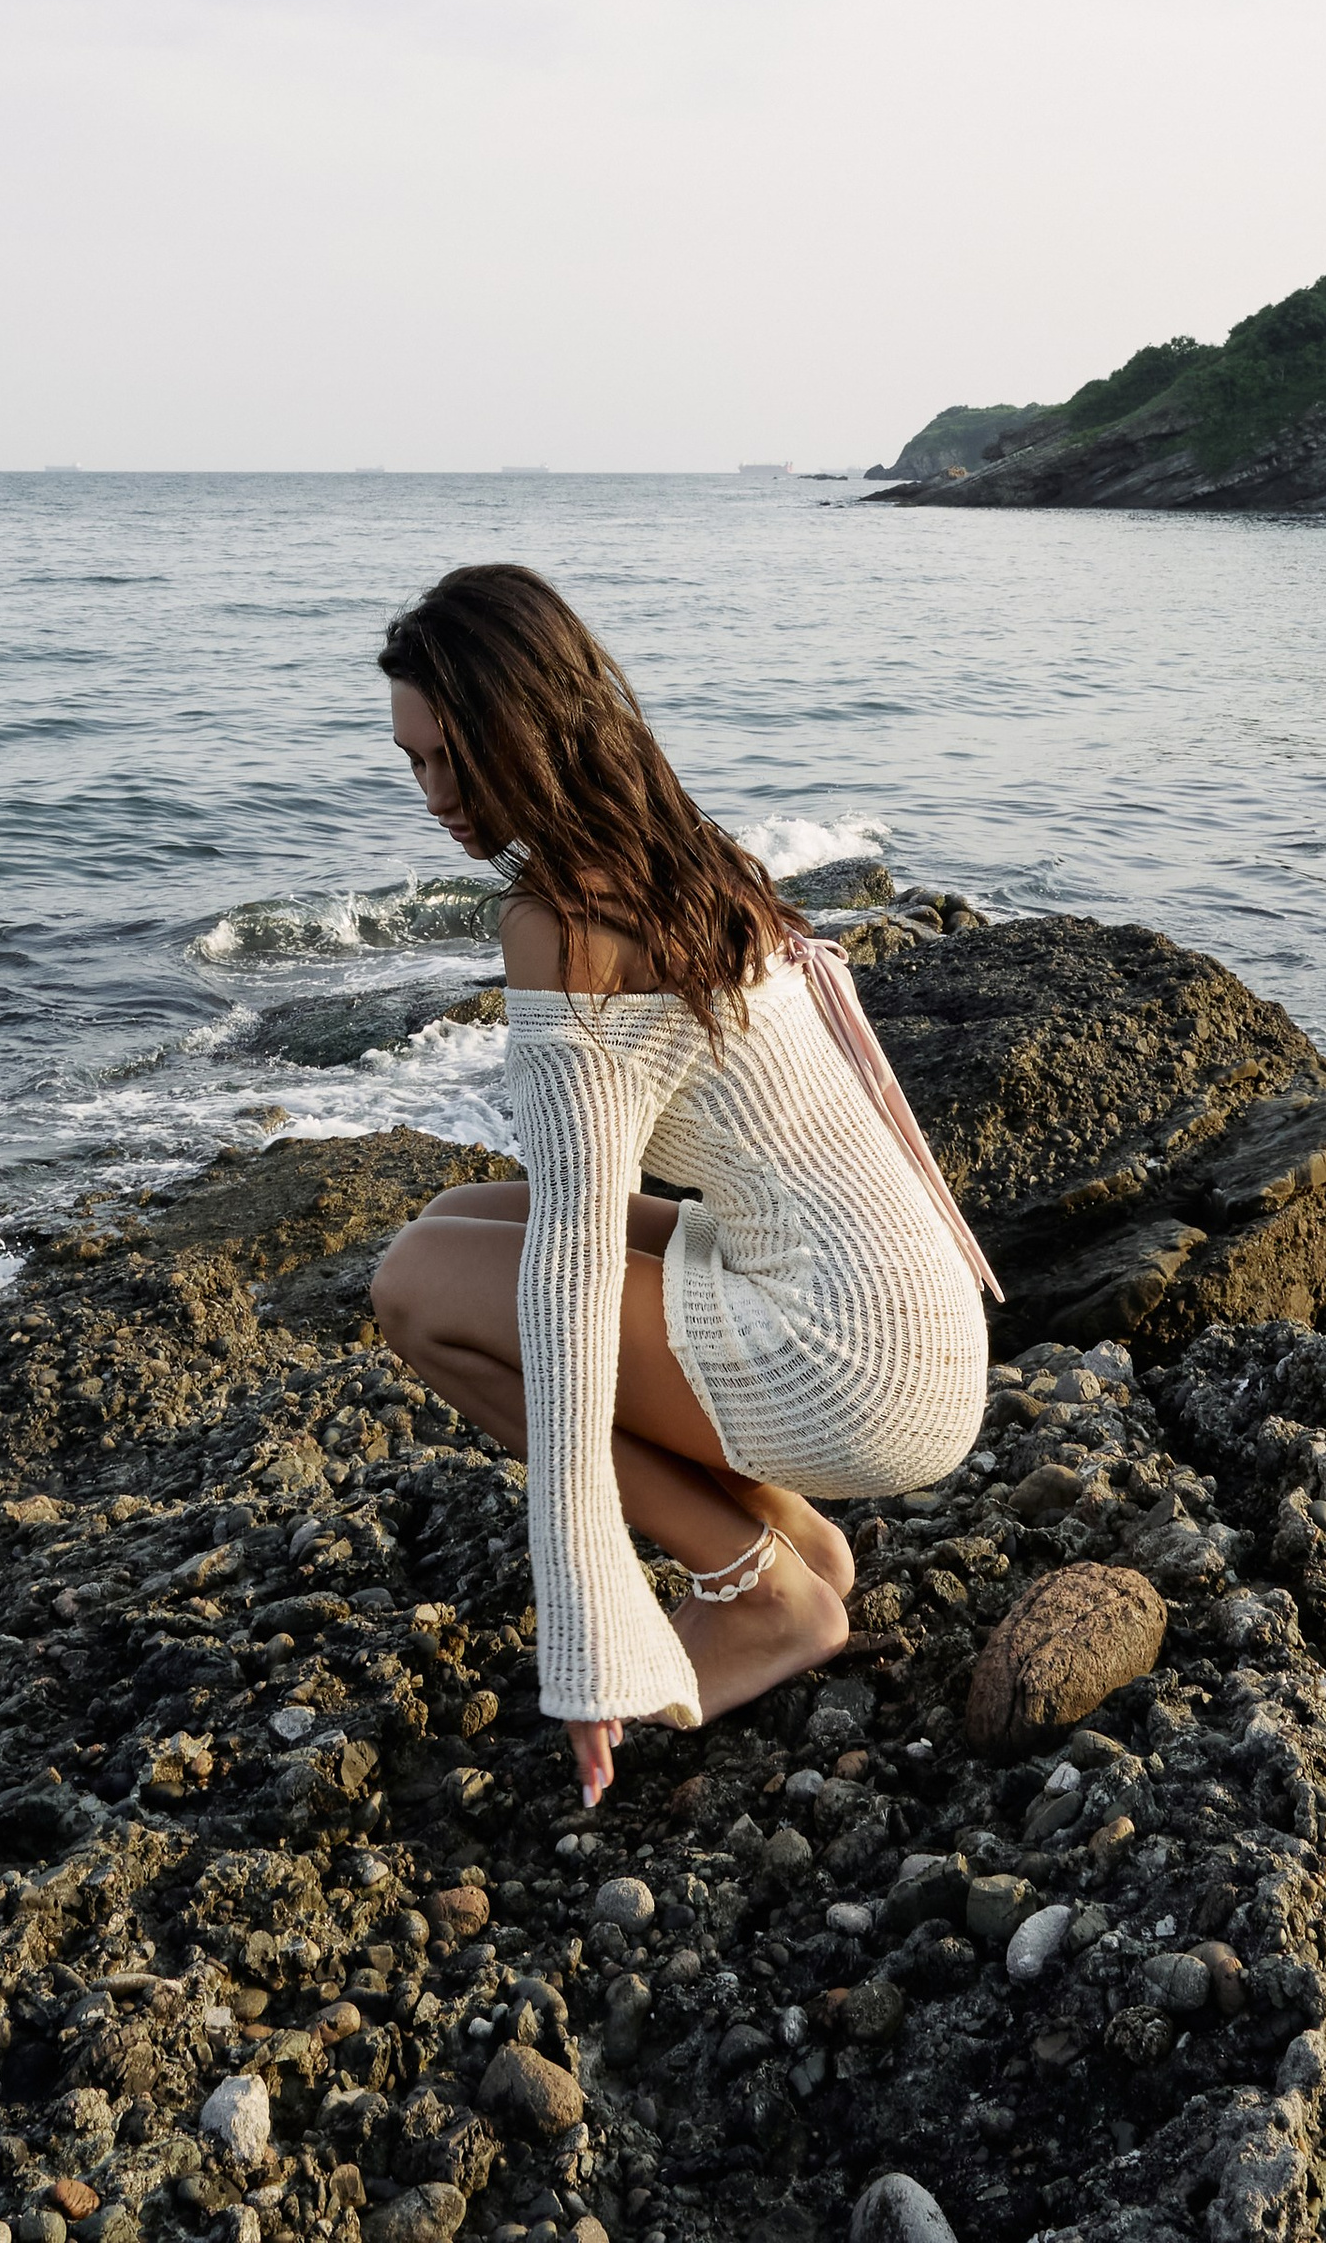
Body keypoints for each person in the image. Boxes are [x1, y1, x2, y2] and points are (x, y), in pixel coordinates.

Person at [368, 562, 997, 1812]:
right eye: (413, 765)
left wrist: (585, 1623)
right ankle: (794, 1543)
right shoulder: (684, 852)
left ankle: (752, 1591)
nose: (434, 798)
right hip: (912, 1317)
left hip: (860, 1362)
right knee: (454, 1222)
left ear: (527, 734)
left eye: (453, 760)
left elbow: (571, 1272)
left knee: (414, 1289)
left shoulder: (562, 919)